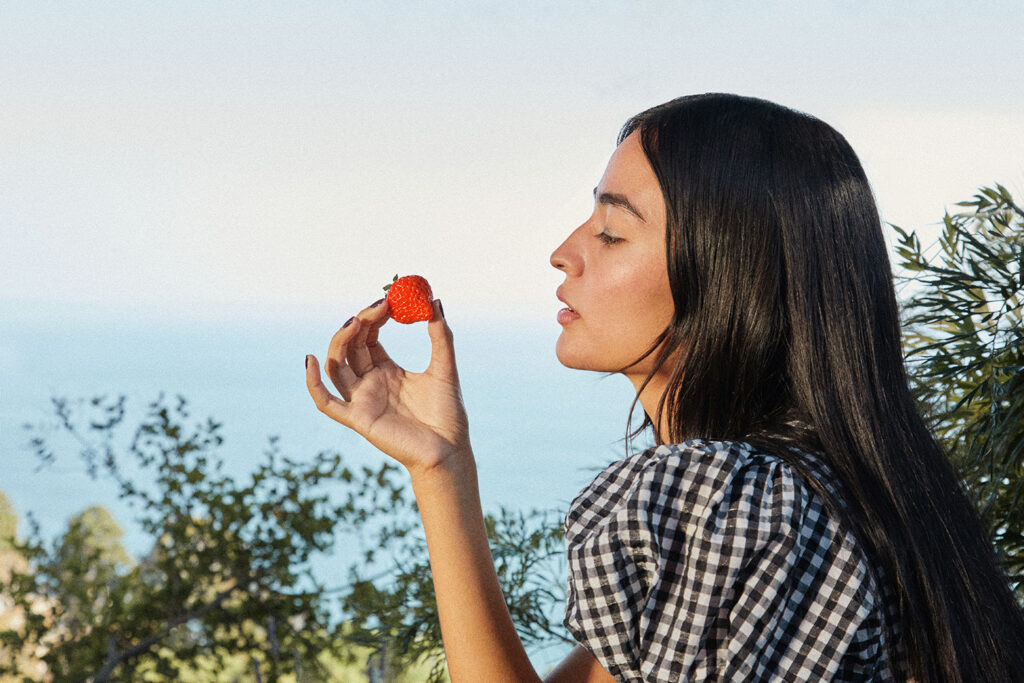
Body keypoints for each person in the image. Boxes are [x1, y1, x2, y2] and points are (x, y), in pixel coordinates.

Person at [304, 93, 1024, 682]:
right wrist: (441, 467)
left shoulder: (732, 515)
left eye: (612, 232)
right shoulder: (822, 504)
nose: (564, 251)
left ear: (726, 281)